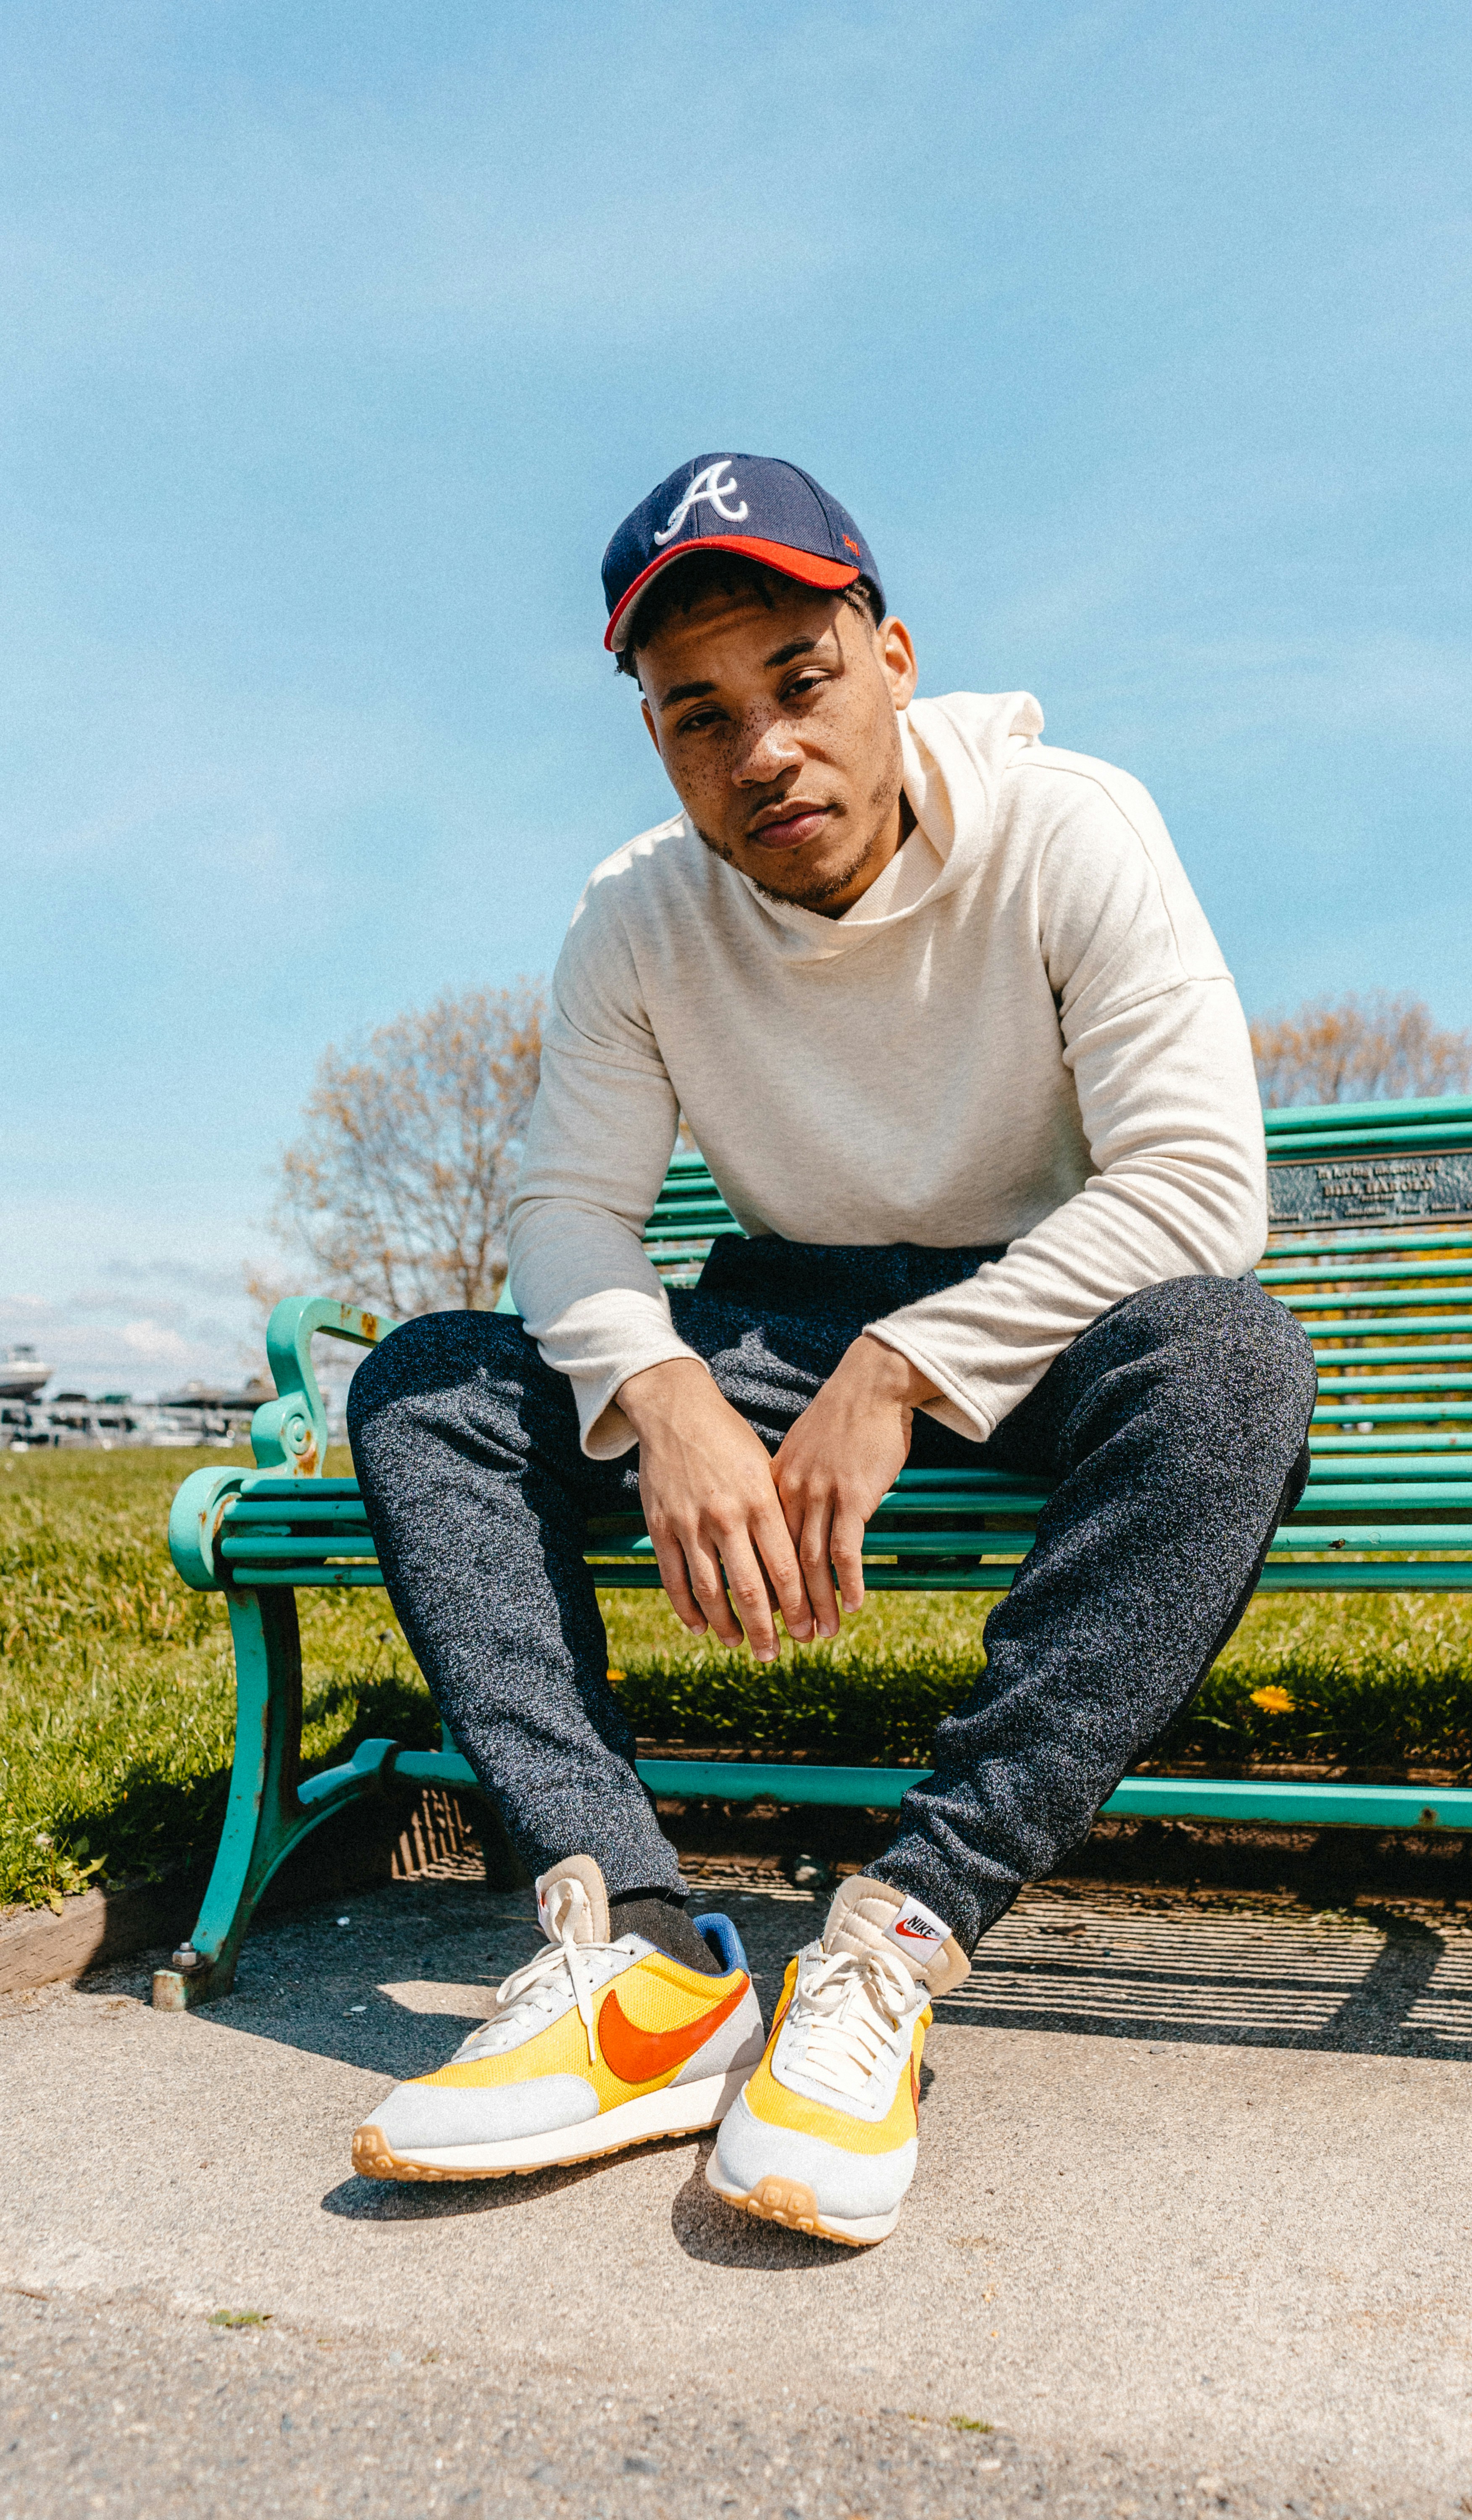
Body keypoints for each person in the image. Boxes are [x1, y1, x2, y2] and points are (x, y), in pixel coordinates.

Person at [347, 453, 1316, 2244]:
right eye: (695, 713)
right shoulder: (633, 914)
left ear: (890, 658)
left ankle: (895, 1941)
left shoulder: (1070, 826)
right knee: (426, 1382)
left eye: (798, 681)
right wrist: (663, 1392)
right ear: (653, 737)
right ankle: (636, 1963)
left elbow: (1195, 1185)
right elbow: (568, 1212)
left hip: (1038, 1320)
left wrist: (905, 1370)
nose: (760, 750)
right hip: (774, 1312)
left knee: (1234, 1362)